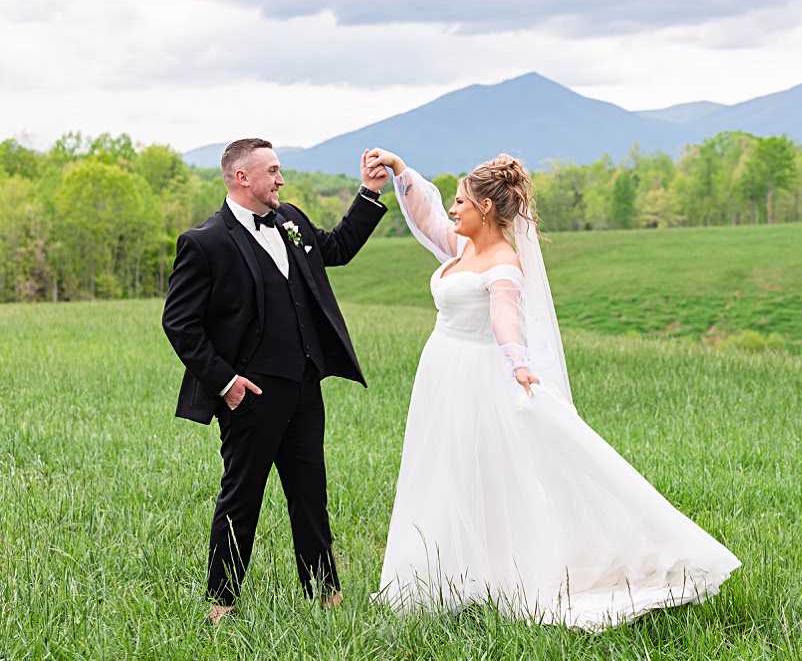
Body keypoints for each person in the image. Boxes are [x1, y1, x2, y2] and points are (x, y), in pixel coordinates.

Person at [366, 147, 740, 630]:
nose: (453, 210)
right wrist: (399, 170)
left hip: (477, 379)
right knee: (439, 467)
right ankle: (441, 571)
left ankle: (490, 573)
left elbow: (505, 318)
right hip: (441, 372)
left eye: (460, 202)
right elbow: (426, 216)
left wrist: (518, 364)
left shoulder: (503, 262)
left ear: (485, 209)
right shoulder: (462, 247)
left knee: (480, 469)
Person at [162, 138, 389, 624]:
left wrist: (370, 192)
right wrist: (227, 382)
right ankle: (221, 604)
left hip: (305, 387)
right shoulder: (204, 242)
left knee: (310, 493)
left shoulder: (291, 220)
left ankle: (325, 595)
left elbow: (339, 248)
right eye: (272, 171)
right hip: (250, 395)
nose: (281, 180)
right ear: (241, 177)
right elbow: (180, 323)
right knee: (241, 497)